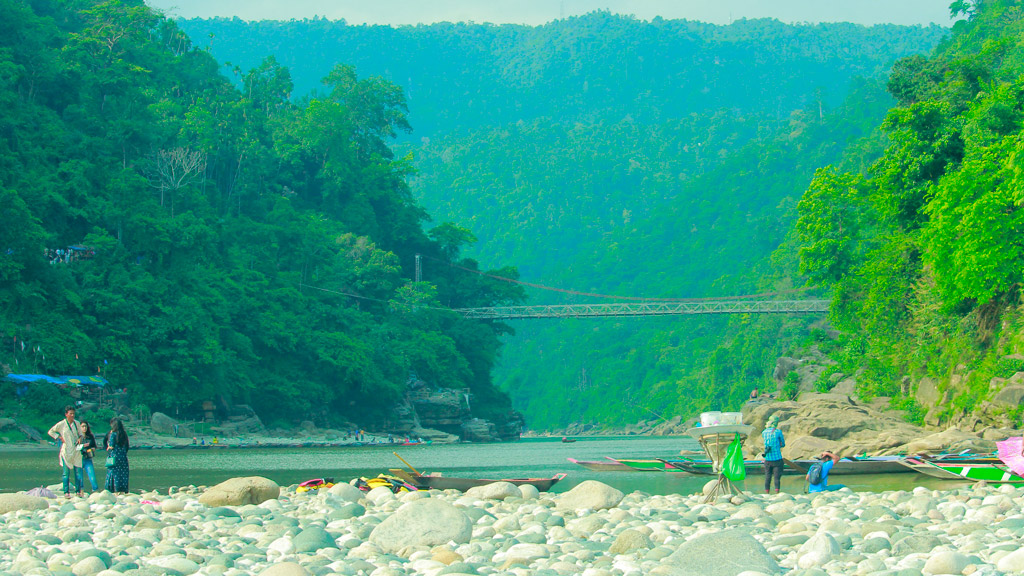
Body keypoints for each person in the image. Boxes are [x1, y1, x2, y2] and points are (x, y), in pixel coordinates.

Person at [47, 406, 84, 498]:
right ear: (66, 414)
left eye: (73, 414)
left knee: (78, 472)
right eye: (70, 413)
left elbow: (81, 434)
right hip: (66, 450)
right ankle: (66, 492)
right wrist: (59, 437)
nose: (72, 415)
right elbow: (51, 432)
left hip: (76, 450)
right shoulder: (62, 424)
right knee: (66, 473)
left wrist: (80, 439)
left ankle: (78, 491)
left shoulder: (77, 423)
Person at [104, 418, 130, 494]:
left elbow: (111, 446)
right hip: (123, 458)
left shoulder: (113, 434)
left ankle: (114, 489)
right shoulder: (124, 434)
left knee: (114, 474)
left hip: (114, 457)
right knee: (123, 474)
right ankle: (123, 489)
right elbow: (127, 446)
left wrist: (108, 447)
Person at [761, 413, 785, 494]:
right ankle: (777, 492)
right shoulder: (778, 432)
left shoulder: (764, 432)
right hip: (777, 458)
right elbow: (783, 444)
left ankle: (766, 493)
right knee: (777, 477)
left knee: (767, 477)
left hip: (767, 459)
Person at [79, 421, 99, 492]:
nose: (84, 428)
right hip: (79, 458)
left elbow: (94, 446)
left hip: (88, 458)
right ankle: (81, 491)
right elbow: (75, 447)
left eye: (85, 426)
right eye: (82, 426)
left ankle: (95, 490)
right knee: (79, 477)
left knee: (92, 476)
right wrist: (82, 446)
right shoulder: (77, 437)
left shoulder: (90, 436)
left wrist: (93, 449)